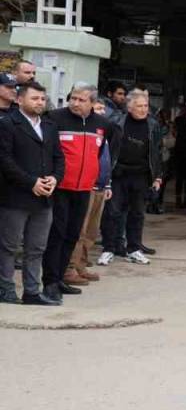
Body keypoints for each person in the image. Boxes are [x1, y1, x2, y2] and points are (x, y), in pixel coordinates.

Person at [42, 83, 112, 295]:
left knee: (73, 234)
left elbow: (99, 154)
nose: (75, 103)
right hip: (60, 187)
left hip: (84, 188)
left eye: (81, 100)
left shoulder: (101, 124)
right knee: (57, 234)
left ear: (92, 103)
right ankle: (50, 281)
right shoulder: (54, 118)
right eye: (73, 98)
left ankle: (62, 276)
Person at [0, 81, 64, 305]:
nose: (39, 103)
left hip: (44, 198)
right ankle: (5, 289)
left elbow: (59, 158)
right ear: (19, 100)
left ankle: (32, 292)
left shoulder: (48, 126)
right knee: (8, 246)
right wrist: (31, 183)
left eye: (42, 99)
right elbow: (5, 161)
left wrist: (55, 178)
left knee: (36, 248)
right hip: (15, 197)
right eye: (34, 98)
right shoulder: (7, 124)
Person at [103, 90, 164, 265]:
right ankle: (109, 248)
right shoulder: (116, 122)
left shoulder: (153, 125)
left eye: (145, 106)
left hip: (142, 176)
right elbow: (107, 149)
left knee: (137, 214)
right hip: (119, 174)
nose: (143, 109)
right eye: (139, 106)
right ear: (129, 107)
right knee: (112, 213)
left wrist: (158, 176)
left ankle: (134, 249)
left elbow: (157, 153)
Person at [77, 98, 113, 274]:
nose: (102, 112)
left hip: (101, 187)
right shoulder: (86, 131)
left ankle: (82, 264)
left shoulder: (102, 132)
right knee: (80, 230)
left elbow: (106, 161)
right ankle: (73, 268)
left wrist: (107, 184)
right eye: (98, 108)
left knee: (92, 231)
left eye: (103, 109)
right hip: (87, 187)